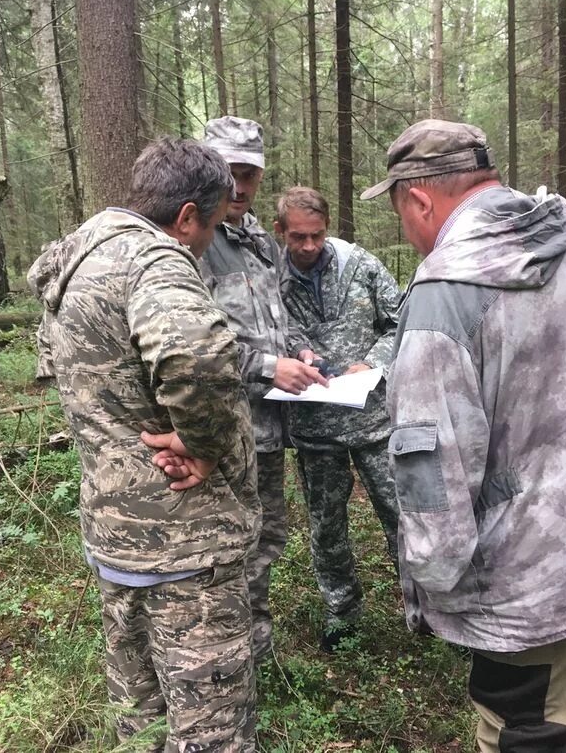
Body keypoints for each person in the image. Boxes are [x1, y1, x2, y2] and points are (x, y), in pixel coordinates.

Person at [27, 138, 261, 752]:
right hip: (186, 539)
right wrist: (204, 444)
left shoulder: (77, 262)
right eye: (210, 225)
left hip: (115, 531)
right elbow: (199, 356)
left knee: (141, 718)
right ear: (187, 215)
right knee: (209, 727)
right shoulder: (154, 260)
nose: (208, 240)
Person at [361, 118, 566, 751]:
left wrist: (431, 582)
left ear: (419, 199)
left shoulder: (445, 293)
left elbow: (433, 472)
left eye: (404, 214)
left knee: (522, 731)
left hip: (525, 581)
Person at [197, 116, 325, 663]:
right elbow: (194, 342)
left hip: (269, 429)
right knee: (223, 545)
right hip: (221, 429)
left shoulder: (259, 244)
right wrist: (268, 366)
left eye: (250, 173)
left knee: (265, 539)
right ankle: (224, 656)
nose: (241, 186)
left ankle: (258, 650)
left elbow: (276, 321)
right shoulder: (190, 242)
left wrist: (297, 351)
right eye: (231, 172)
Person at [274, 186, 402, 652]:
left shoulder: (360, 266)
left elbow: (399, 320)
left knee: (402, 516)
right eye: (299, 238)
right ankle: (342, 614)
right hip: (314, 428)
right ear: (281, 232)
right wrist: (291, 351)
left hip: (375, 421)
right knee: (327, 524)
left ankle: (426, 608)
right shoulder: (269, 279)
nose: (309, 246)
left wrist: (373, 361)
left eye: (317, 236)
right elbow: (263, 334)